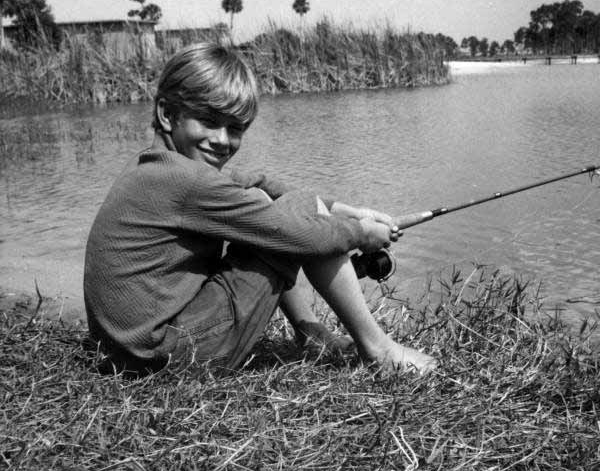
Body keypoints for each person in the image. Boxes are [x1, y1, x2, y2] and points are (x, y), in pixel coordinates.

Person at [84, 41, 436, 376]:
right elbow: (303, 235)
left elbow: (256, 181)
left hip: (126, 356)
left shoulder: (158, 168)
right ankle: (378, 348)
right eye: (208, 121)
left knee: (274, 204)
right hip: (169, 357)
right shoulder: (189, 183)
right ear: (167, 114)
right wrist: (362, 233)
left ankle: (310, 334)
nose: (222, 140)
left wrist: (351, 209)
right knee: (296, 218)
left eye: (235, 128)